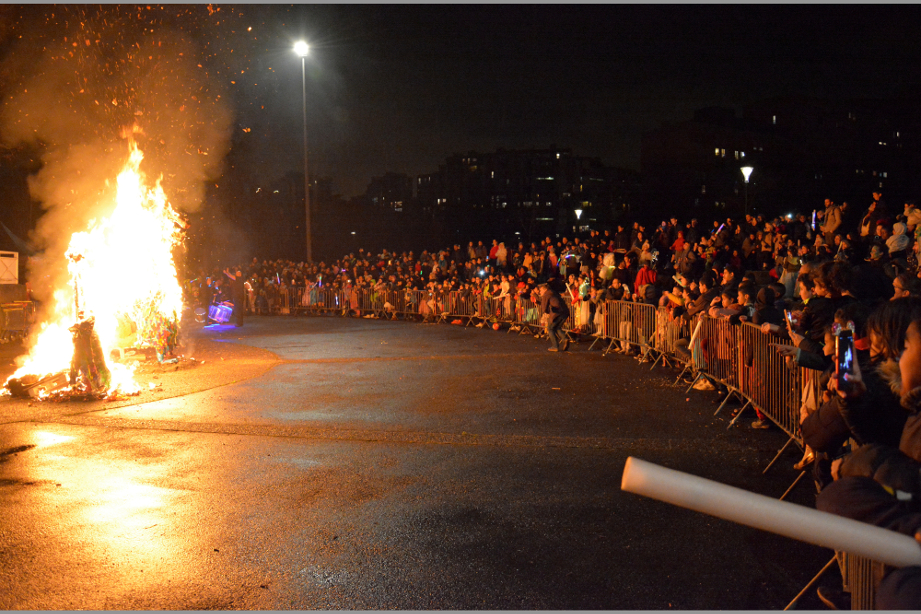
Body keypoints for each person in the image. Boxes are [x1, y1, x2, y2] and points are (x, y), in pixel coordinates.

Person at [539, 283, 569, 352]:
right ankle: (565, 339)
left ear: (545, 289)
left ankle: (555, 346)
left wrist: (549, 312)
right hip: (565, 311)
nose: (540, 292)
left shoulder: (546, 295)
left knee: (550, 328)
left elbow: (544, 308)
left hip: (556, 312)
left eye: (540, 290)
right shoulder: (554, 293)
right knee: (557, 327)